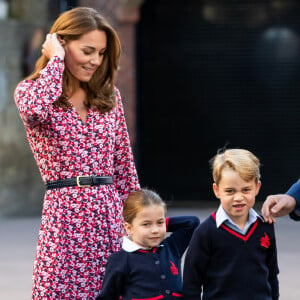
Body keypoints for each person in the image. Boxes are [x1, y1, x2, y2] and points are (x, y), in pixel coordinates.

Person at [14, 7, 140, 300]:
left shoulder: (110, 96)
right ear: (61, 43)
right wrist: (55, 61)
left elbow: (124, 166)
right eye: (87, 51)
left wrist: (138, 223)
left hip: (109, 217)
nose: (96, 60)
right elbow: (34, 111)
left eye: (101, 52)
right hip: (64, 218)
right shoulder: (31, 91)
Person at [183, 149, 279, 300]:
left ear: (257, 188)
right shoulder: (205, 232)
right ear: (217, 190)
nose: (238, 197)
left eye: (246, 189)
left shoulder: (265, 226)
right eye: (230, 191)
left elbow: (272, 275)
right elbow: (191, 283)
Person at [96, 188, 200, 300]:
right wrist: (157, 223)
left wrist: (160, 224)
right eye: (146, 224)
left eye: (160, 222)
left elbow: (192, 222)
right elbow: (107, 296)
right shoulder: (120, 259)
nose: (155, 230)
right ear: (129, 228)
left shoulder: (171, 247)